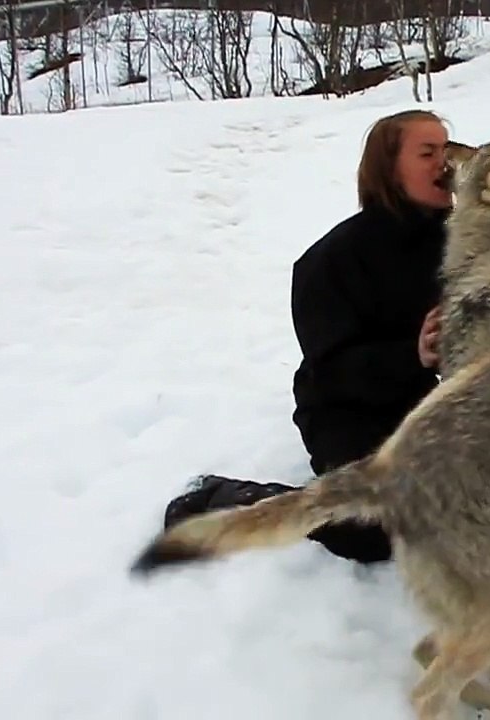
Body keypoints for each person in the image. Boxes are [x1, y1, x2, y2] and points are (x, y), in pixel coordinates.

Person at [161, 109, 454, 565]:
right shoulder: (332, 260)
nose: (445, 163)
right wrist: (410, 355)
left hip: (427, 404)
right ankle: (239, 498)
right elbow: (332, 369)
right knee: (374, 528)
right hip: (348, 410)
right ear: (389, 169)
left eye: (447, 150)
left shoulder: (463, 242)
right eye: (428, 153)